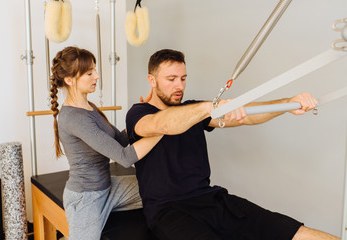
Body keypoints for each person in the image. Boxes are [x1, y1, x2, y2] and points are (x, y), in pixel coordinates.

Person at [126, 49, 340, 240]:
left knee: (296, 232)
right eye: (171, 79)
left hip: (211, 200)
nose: (179, 86)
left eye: (183, 78)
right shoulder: (139, 113)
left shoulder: (194, 110)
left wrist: (286, 104)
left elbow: (246, 116)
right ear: (151, 80)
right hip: (167, 211)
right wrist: (209, 107)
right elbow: (162, 124)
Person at [49, 46, 162, 240]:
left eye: (95, 70)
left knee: (159, 187)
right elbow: (125, 158)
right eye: (89, 73)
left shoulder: (88, 106)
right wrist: (163, 127)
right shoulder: (75, 118)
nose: (97, 76)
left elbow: (119, 140)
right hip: (86, 198)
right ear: (69, 80)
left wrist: (147, 112)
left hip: (110, 187)